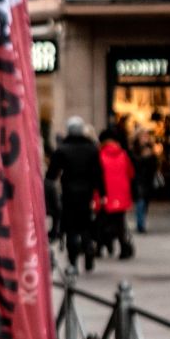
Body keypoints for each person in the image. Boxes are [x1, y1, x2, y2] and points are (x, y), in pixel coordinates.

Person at [47, 116, 101, 273]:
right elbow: (98, 173)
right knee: (85, 225)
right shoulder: (92, 148)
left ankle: (73, 260)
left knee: (71, 227)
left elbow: (51, 174)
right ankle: (88, 248)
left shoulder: (63, 149)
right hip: (87, 193)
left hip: (69, 193)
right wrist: (102, 193)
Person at [97, 124, 136, 261]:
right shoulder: (123, 154)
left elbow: (97, 176)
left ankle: (100, 247)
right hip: (121, 193)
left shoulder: (100, 155)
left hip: (106, 194)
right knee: (120, 223)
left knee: (102, 221)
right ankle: (124, 248)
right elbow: (131, 173)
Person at [129, 129, 160, 236]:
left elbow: (154, 165)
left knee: (145, 202)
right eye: (143, 136)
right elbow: (133, 164)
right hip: (138, 179)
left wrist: (150, 156)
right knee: (140, 202)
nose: (145, 138)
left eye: (146, 136)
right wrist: (144, 157)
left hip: (148, 180)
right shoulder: (133, 149)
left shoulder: (150, 149)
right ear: (138, 137)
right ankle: (140, 225)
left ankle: (141, 222)